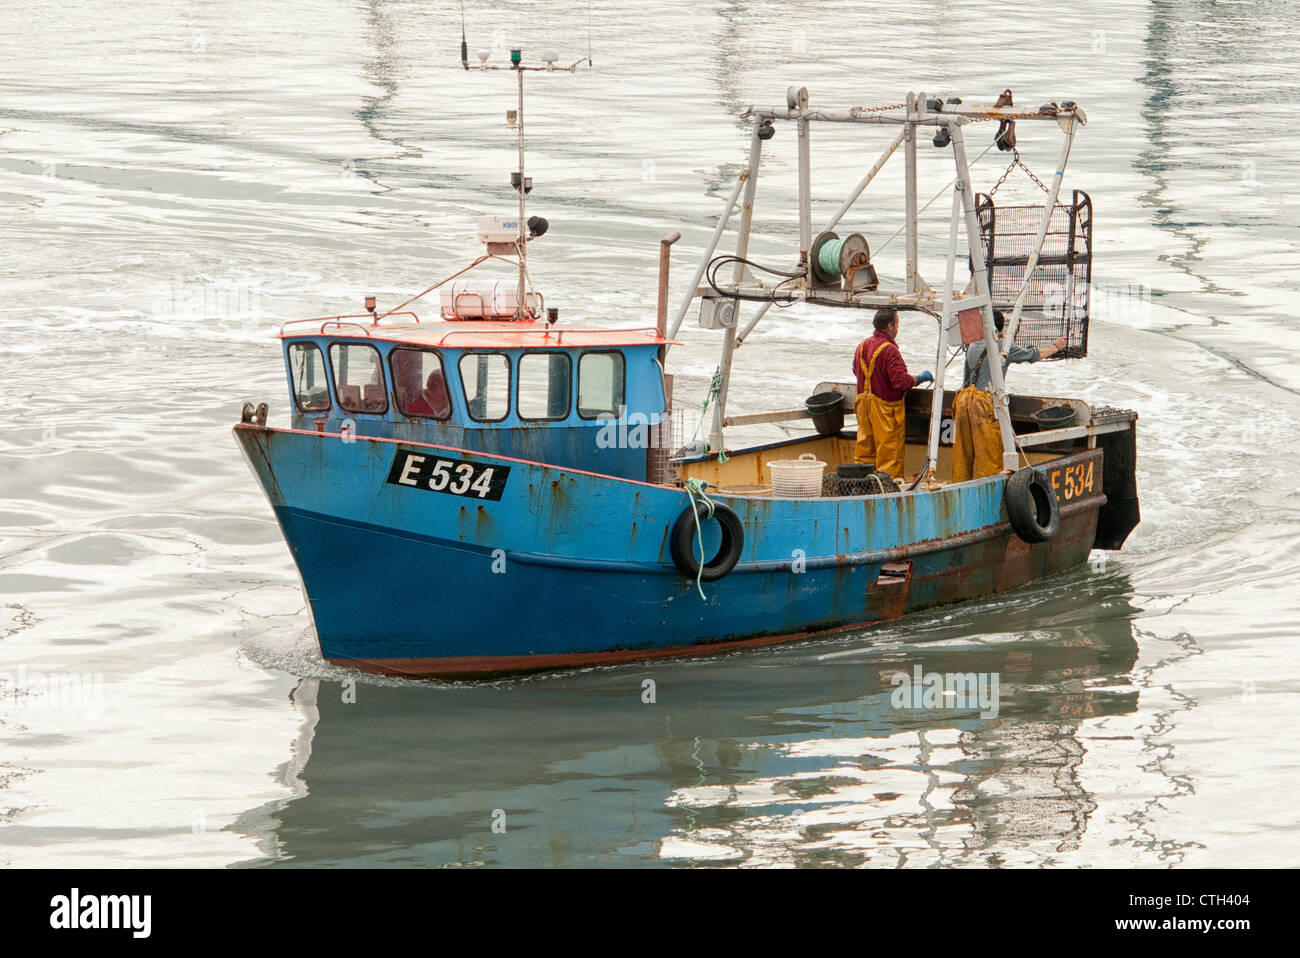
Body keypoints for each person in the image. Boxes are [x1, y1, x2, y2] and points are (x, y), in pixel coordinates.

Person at [951, 310, 1066, 482]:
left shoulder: (972, 345)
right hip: (984, 403)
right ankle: (987, 494)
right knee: (989, 458)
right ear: (999, 328)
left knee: (962, 456)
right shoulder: (1003, 347)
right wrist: (1055, 347)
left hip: (963, 401)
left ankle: (959, 489)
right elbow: (1035, 355)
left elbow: (967, 378)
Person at [852, 308, 933, 479]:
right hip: (885, 412)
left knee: (864, 453)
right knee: (890, 457)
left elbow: (855, 370)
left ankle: (861, 487)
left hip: (863, 408)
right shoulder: (890, 350)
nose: (898, 328)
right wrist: (918, 378)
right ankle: (887, 493)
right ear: (890, 326)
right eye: (897, 324)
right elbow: (900, 381)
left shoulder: (861, 346)